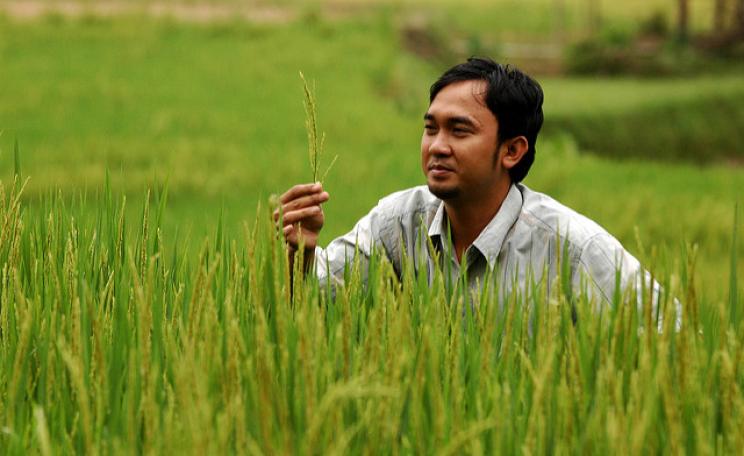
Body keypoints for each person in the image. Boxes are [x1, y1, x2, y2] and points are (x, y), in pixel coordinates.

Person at [275, 57, 649, 306]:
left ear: (512, 150)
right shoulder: (399, 223)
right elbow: (317, 303)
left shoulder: (573, 250)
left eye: (459, 130)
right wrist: (303, 253)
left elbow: (673, 338)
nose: (437, 147)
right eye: (430, 128)